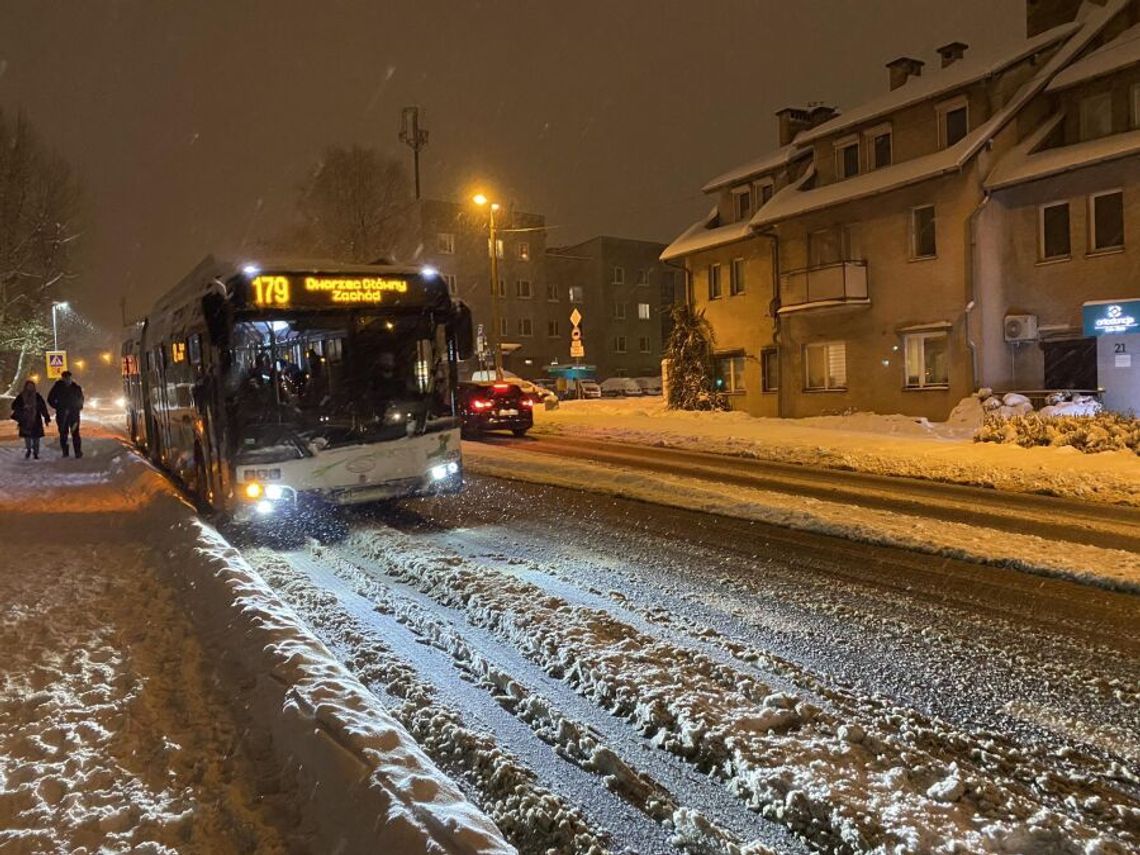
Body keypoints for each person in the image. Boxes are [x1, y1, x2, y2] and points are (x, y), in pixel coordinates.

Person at [47, 370, 84, 458]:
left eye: (69, 378)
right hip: (62, 415)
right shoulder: (57, 387)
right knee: (63, 433)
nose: (67, 380)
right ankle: (65, 451)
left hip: (74, 415)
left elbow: (81, 399)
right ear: (62, 378)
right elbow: (50, 399)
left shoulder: (76, 388)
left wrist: (79, 407)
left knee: (75, 433)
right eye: (65, 378)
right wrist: (58, 407)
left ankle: (77, 452)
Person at [10, 380, 51, 459]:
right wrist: (23, 407)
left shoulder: (37, 396)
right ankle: (28, 450)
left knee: (36, 438)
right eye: (29, 386)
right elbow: (14, 406)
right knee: (27, 437)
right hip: (25, 420)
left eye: (32, 386)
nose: (30, 387)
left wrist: (46, 417)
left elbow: (43, 407)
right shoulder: (21, 396)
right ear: (26, 386)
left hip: (36, 419)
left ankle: (36, 452)